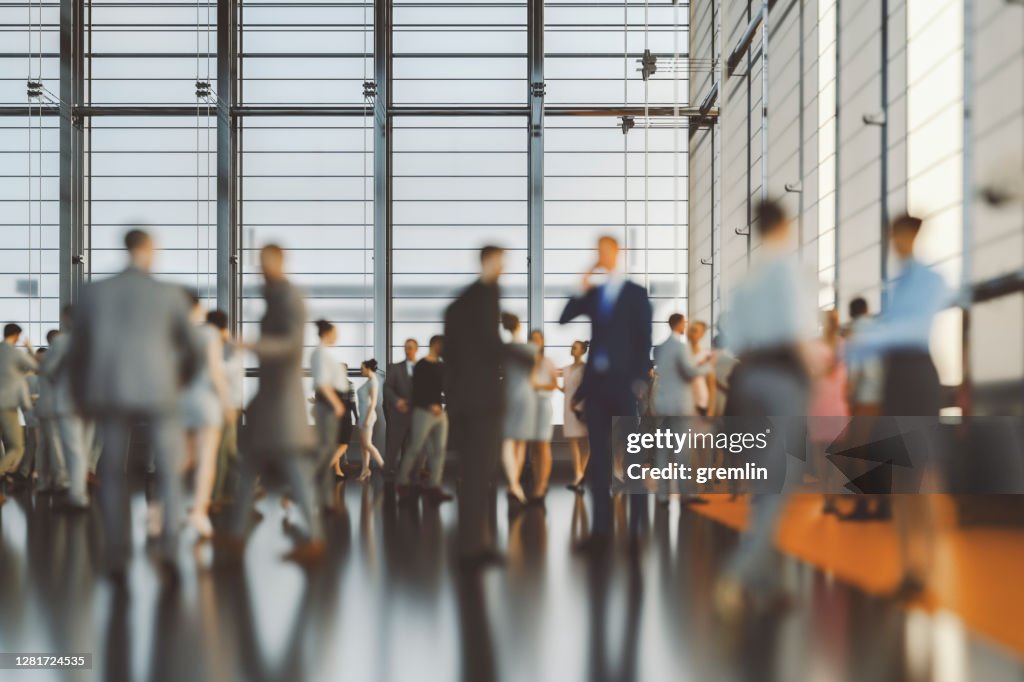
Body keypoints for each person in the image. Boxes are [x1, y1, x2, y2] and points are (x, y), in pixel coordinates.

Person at [68, 228, 200, 578]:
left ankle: (117, 552)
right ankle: (169, 545)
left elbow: (79, 352)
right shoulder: (169, 293)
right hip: (160, 389)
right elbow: (194, 348)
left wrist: (81, 395)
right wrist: (179, 380)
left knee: (113, 471)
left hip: (112, 390)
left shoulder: (94, 292)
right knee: (169, 471)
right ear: (149, 249)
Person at [716, 199, 816, 611]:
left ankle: (768, 581)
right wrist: (815, 376)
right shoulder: (786, 268)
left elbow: (731, 340)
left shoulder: (745, 279)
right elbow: (798, 331)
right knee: (784, 475)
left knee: (764, 477)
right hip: (781, 379)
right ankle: (737, 573)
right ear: (786, 224)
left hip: (748, 379)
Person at [847, 214, 951, 597]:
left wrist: (858, 341)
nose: (896, 241)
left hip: (917, 375)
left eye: (899, 235)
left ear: (912, 235)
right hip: (895, 377)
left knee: (924, 473)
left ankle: (930, 566)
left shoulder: (929, 279)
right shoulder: (897, 285)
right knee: (900, 476)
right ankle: (909, 568)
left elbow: (912, 330)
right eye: (893, 236)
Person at [226, 244, 323, 564]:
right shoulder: (274, 296)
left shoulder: (287, 296)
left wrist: (254, 345)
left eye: (266, 261)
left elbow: (292, 343)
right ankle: (236, 535)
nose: (261, 267)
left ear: (280, 261)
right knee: (251, 467)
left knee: (294, 469)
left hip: (282, 400)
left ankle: (314, 537)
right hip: (270, 399)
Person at [558, 235, 653, 548]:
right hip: (597, 387)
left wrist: (638, 381)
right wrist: (584, 280)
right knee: (599, 458)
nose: (602, 256)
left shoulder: (636, 295)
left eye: (607, 251)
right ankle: (600, 533)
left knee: (632, 456)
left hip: (625, 385)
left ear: (618, 253)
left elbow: (643, 339)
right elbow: (565, 317)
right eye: (598, 251)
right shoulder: (595, 294)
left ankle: (637, 530)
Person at [443, 245, 506, 565]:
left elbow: (452, 355)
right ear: (489, 261)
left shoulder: (459, 304)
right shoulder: (486, 296)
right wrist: (526, 356)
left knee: (473, 473)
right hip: (482, 402)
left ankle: (472, 542)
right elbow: (490, 345)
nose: (504, 268)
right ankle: (472, 546)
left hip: (464, 402)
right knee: (481, 473)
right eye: (502, 261)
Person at [651, 313, 715, 505]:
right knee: (682, 451)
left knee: (662, 450)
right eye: (685, 324)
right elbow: (689, 372)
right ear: (680, 324)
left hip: (662, 404)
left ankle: (662, 495)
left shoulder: (659, 349)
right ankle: (686, 493)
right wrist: (707, 367)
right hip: (680, 404)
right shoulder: (681, 348)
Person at [181, 296, 230, 538]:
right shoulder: (209, 333)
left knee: (182, 459)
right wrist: (226, 401)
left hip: (181, 403)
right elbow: (214, 370)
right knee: (206, 460)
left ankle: (158, 512)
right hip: (205, 402)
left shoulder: (176, 332)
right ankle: (198, 513)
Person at [40, 308, 92, 511]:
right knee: (84, 449)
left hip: (69, 400)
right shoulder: (94, 341)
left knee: (73, 449)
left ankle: (77, 495)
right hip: (91, 401)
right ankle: (80, 492)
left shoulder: (63, 342)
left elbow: (48, 369)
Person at [396, 335, 452, 504]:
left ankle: (434, 487)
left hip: (440, 414)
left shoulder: (442, 366)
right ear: (435, 345)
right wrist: (430, 405)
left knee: (440, 450)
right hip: (423, 412)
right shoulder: (421, 365)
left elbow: (445, 388)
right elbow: (418, 390)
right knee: (416, 448)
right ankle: (403, 483)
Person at [807, 309, 850, 515]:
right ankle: (827, 496)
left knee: (839, 450)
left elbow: (850, 372)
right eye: (831, 319)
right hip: (819, 400)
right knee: (820, 451)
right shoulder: (815, 347)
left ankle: (834, 492)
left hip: (839, 401)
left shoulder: (844, 345)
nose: (834, 322)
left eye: (836, 318)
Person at [499, 313, 537, 506]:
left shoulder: (502, 350)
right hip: (526, 396)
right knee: (521, 442)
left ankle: (513, 484)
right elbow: (534, 375)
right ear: (519, 325)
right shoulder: (530, 348)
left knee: (508, 440)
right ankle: (514, 485)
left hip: (507, 394)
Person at [310, 320, 348, 507]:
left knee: (327, 449)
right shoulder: (320, 354)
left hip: (330, 404)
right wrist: (337, 405)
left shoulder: (323, 353)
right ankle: (297, 490)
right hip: (329, 405)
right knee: (326, 451)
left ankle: (326, 500)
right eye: (335, 332)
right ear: (326, 333)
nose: (337, 336)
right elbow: (323, 384)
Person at [209, 310, 243, 508]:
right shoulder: (225, 345)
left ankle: (215, 497)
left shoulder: (227, 346)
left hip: (227, 405)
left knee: (221, 451)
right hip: (226, 404)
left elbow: (223, 373)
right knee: (228, 450)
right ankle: (248, 483)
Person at [0, 323, 37, 499]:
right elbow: (37, 367)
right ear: (16, 335)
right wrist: (29, 349)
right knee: (17, 446)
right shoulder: (15, 353)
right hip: (7, 405)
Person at [528, 329, 557, 501]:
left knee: (543, 444)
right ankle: (538, 481)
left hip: (543, 405)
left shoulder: (548, 362)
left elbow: (553, 384)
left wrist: (537, 386)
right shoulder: (527, 362)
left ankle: (542, 484)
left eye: (538, 339)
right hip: (529, 407)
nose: (535, 342)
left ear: (543, 342)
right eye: (532, 339)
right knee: (534, 447)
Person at [384, 338, 418, 480]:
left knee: (413, 447)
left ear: (416, 349)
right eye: (405, 347)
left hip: (416, 413)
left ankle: (409, 474)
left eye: (410, 347)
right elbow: (387, 388)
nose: (407, 350)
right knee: (393, 445)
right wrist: (397, 401)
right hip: (399, 412)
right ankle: (387, 476)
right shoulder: (395, 368)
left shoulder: (422, 368)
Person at [559, 340, 590, 492]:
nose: (572, 349)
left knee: (585, 441)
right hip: (569, 408)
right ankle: (579, 474)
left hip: (582, 408)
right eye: (571, 347)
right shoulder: (566, 369)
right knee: (573, 441)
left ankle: (579, 474)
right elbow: (566, 389)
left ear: (582, 351)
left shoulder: (586, 369)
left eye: (575, 347)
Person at [356, 359, 385, 481]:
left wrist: (367, 419)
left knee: (367, 444)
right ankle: (365, 470)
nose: (360, 370)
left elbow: (373, 402)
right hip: (363, 415)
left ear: (368, 368)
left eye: (362, 368)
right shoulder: (369, 381)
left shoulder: (373, 382)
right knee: (363, 445)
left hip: (368, 416)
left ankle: (384, 467)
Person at [687, 320, 716, 416]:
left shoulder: (706, 355)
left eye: (695, 330)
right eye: (690, 330)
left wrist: (711, 409)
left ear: (702, 334)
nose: (691, 333)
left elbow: (711, 383)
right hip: (684, 402)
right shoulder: (680, 353)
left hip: (701, 402)